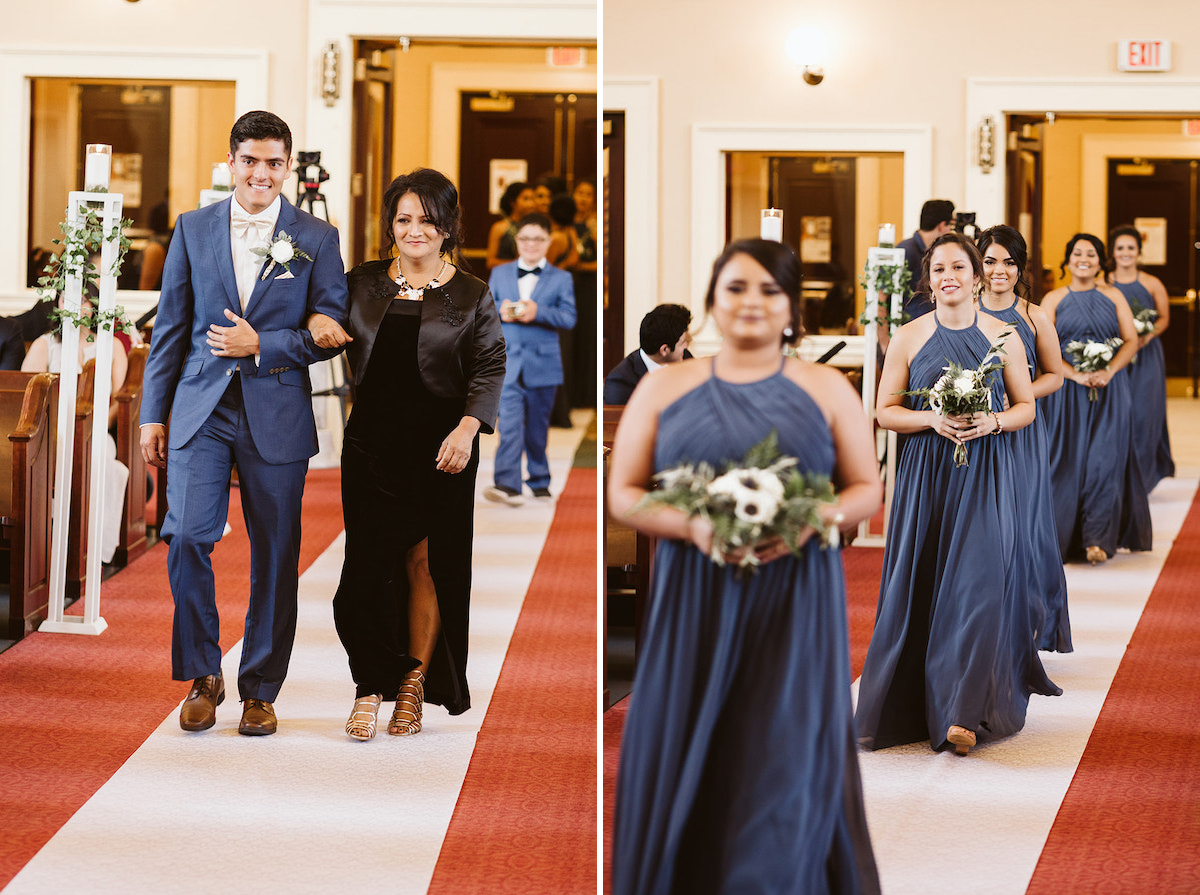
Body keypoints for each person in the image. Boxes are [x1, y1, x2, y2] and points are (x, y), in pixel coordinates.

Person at [607, 238, 882, 894]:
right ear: (712, 302)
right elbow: (624, 490)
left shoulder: (825, 387)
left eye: (769, 290)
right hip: (693, 595)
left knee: (782, 754)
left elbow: (865, 488)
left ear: (792, 306)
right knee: (694, 748)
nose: (751, 302)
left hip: (794, 597)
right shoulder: (665, 386)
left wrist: (805, 521)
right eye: (735, 288)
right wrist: (693, 522)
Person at [139, 110, 349, 736]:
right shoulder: (193, 228)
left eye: (274, 163)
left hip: (275, 409)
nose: (262, 173)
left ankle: (261, 688)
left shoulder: (316, 235)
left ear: (287, 167)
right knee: (185, 538)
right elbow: (171, 329)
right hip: (201, 407)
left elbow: (331, 329)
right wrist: (154, 413)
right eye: (250, 161)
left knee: (277, 556)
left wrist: (264, 344)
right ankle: (204, 674)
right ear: (231, 162)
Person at [307, 168, 505, 741]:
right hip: (371, 445)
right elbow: (319, 318)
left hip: (443, 447)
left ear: (448, 227)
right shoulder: (361, 283)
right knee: (362, 578)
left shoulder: (471, 294)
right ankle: (371, 681)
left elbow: (490, 366)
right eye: (403, 219)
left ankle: (411, 686)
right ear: (390, 225)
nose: (414, 230)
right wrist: (320, 317)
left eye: (427, 219)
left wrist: (468, 429)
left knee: (426, 566)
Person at [855, 232, 1060, 757]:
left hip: (987, 471)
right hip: (926, 475)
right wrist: (932, 419)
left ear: (976, 277)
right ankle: (906, 701)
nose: (949, 277)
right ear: (929, 279)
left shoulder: (1004, 336)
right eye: (938, 269)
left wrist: (991, 421)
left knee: (979, 586)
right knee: (919, 581)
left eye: (958, 268)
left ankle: (963, 713)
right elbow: (885, 410)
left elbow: (1025, 408)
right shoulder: (907, 336)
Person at [977, 225, 1071, 652]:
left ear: (1020, 268)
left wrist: (1014, 397)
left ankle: (1031, 622)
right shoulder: (960, 311)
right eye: (991, 260)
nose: (1000, 270)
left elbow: (1055, 374)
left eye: (1009, 262)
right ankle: (985, 618)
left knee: (1024, 523)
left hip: (1022, 432)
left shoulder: (1035, 316)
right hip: (972, 432)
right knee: (983, 526)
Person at [1040, 233, 1151, 564]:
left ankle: (1097, 539)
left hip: (1108, 392)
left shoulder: (1114, 296)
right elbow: (1042, 348)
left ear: (1101, 261)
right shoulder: (1053, 299)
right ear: (1068, 260)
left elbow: (1130, 340)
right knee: (1065, 463)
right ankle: (1060, 539)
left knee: (1104, 462)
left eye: (1091, 253)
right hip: (1065, 394)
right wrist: (1074, 375)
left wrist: (1109, 371)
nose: (1083, 258)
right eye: (1077, 253)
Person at [482, 213, 576, 506]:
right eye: (525, 238)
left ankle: (539, 479)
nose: (531, 244)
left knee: (537, 428)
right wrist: (503, 311)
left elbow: (569, 318)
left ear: (548, 242)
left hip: (544, 363)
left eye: (538, 239)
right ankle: (507, 484)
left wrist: (538, 312)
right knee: (508, 424)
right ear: (516, 241)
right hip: (507, 362)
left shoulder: (562, 278)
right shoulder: (501, 273)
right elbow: (485, 312)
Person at [1106, 224, 1174, 491]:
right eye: (1120, 248)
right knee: (1120, 415)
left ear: (1139, 252)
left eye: (1130, 248)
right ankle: (1119, 479)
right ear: (1113, 252)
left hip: (1146, 357)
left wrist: (1144, 337)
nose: (1125, 253)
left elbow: (1164, 318)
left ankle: (1143, 483)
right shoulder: (1105, 281)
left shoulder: (1151, 283)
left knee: (1145, 415)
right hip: (1116, 356)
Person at [603, 303, 692, 405]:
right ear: (664, 350)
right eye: (682, 343)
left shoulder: (685, 357)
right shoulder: (621, 383)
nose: (686, 346)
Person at [896, 199, 955, 320]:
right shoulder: (905, 251)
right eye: (951, 226)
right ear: (942, 226)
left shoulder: (938, 252)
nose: (951, 231)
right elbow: (882, 295)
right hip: (908, 329)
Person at [485, 181, 537, 270]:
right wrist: (517, 263)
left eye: (532, 199)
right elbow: (490, 262)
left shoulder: (534, 228)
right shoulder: (500, 227)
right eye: (526, 199)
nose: (531, 204)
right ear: (513, 202)